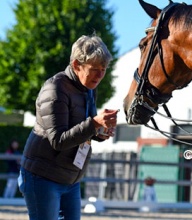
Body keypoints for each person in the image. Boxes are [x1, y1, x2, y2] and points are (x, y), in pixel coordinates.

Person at [18, 35, 119, 220]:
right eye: (94, 69)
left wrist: (100, 132)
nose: (99, 75)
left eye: (103, 70)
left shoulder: (88, 87)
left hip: (70, 179)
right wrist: (94, 123)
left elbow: (80, 127)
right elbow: (58, 140)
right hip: (43, 177)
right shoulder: (55, 89)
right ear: (76, 65)